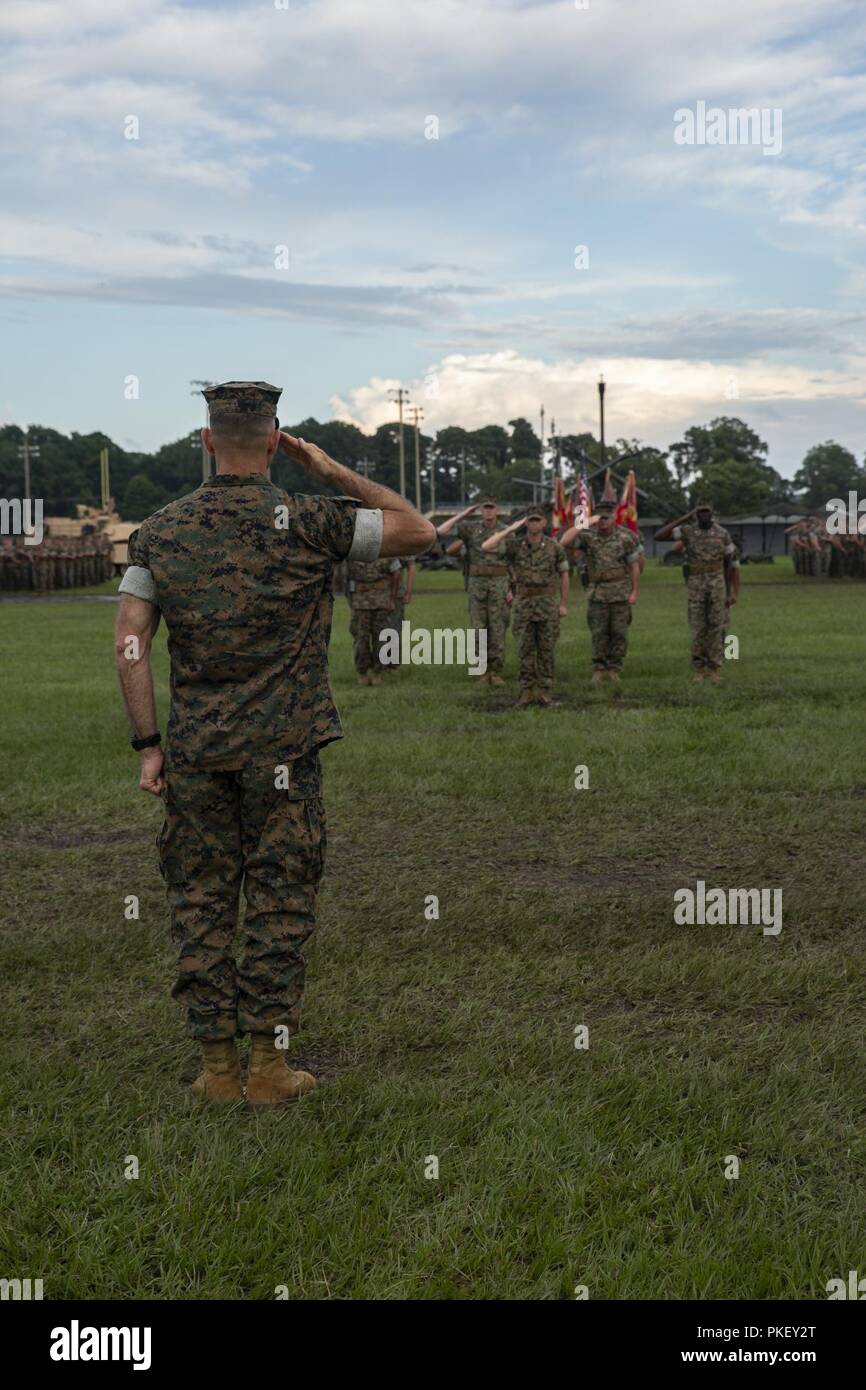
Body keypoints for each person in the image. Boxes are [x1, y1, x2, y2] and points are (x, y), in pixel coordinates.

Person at [114, 381, 434, 1106]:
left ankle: (217, 1070)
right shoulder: (314, 519)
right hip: (284, 754)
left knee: (200, 899)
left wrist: (147, 744)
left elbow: (130, 640)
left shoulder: (160, 531)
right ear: (275, 442)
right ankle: (268, 1067)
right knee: (279, 901)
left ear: (206, 442)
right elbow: (417, 529)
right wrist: (328, 470)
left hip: (196, 753)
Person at [482, 509, 569, 706]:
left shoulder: (554, 547)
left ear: (544, 522)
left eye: (537, 520)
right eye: (530, 521)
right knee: (524, 649)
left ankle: (545, 691)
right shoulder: (515, 545)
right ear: (526, 523)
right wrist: (510, 528)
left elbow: (564, 575)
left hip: (547, 604)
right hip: (524, 605)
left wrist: (563, 603)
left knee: (546, 650)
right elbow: (487, 546)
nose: (534, 524)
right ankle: (526, 691)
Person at [560, 497, 641, 684]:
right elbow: (564, 541)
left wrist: (634, 591)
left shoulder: (626, 537)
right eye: (600, 517)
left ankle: (614, 668)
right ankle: (598, 668)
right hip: (597, 592)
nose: (603, 521)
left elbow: (634, 566)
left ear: (614, 517)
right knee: (598, 632)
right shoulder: (588, 537)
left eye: (607, 517)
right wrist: (585, 523)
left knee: (619, 632)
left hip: (620, 591)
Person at [655, 501, 736, 683]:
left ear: (712, 513)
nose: (704, 515)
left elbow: (729, 564)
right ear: (696, 514)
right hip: (696, 585)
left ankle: (714, 668)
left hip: (717, 584)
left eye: (707, 511)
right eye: (700, 512)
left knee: (716, 627)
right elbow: (659, 536)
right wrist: (683, 518)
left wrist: (730, 592)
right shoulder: (687, 531)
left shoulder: (723, 533)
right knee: (698, 628)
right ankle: (699, 669)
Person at [436, 498, 511, 685]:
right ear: (480, 511)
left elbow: (513, 561)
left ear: (497, 510)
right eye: (485, 508)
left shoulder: (506, 531)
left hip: (499, 586)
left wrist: (512, 588)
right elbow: (441, 531)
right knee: (478, 629)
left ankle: (495, 670)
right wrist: (464, 514)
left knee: (498, 628)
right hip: (477, 587)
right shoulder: (470, 528)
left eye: (491, 508)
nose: (488, 511)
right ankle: (482, 671)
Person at [346, 555, 401, 684]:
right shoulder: (354, 552)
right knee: (361, 638)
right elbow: (348, 579)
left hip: (380, 602)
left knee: (380, 638)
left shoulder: (387, 550)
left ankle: (377, 671)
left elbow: (396, 574)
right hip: (361, 603)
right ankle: (363, 672)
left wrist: (392, 599)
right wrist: (351, 602)